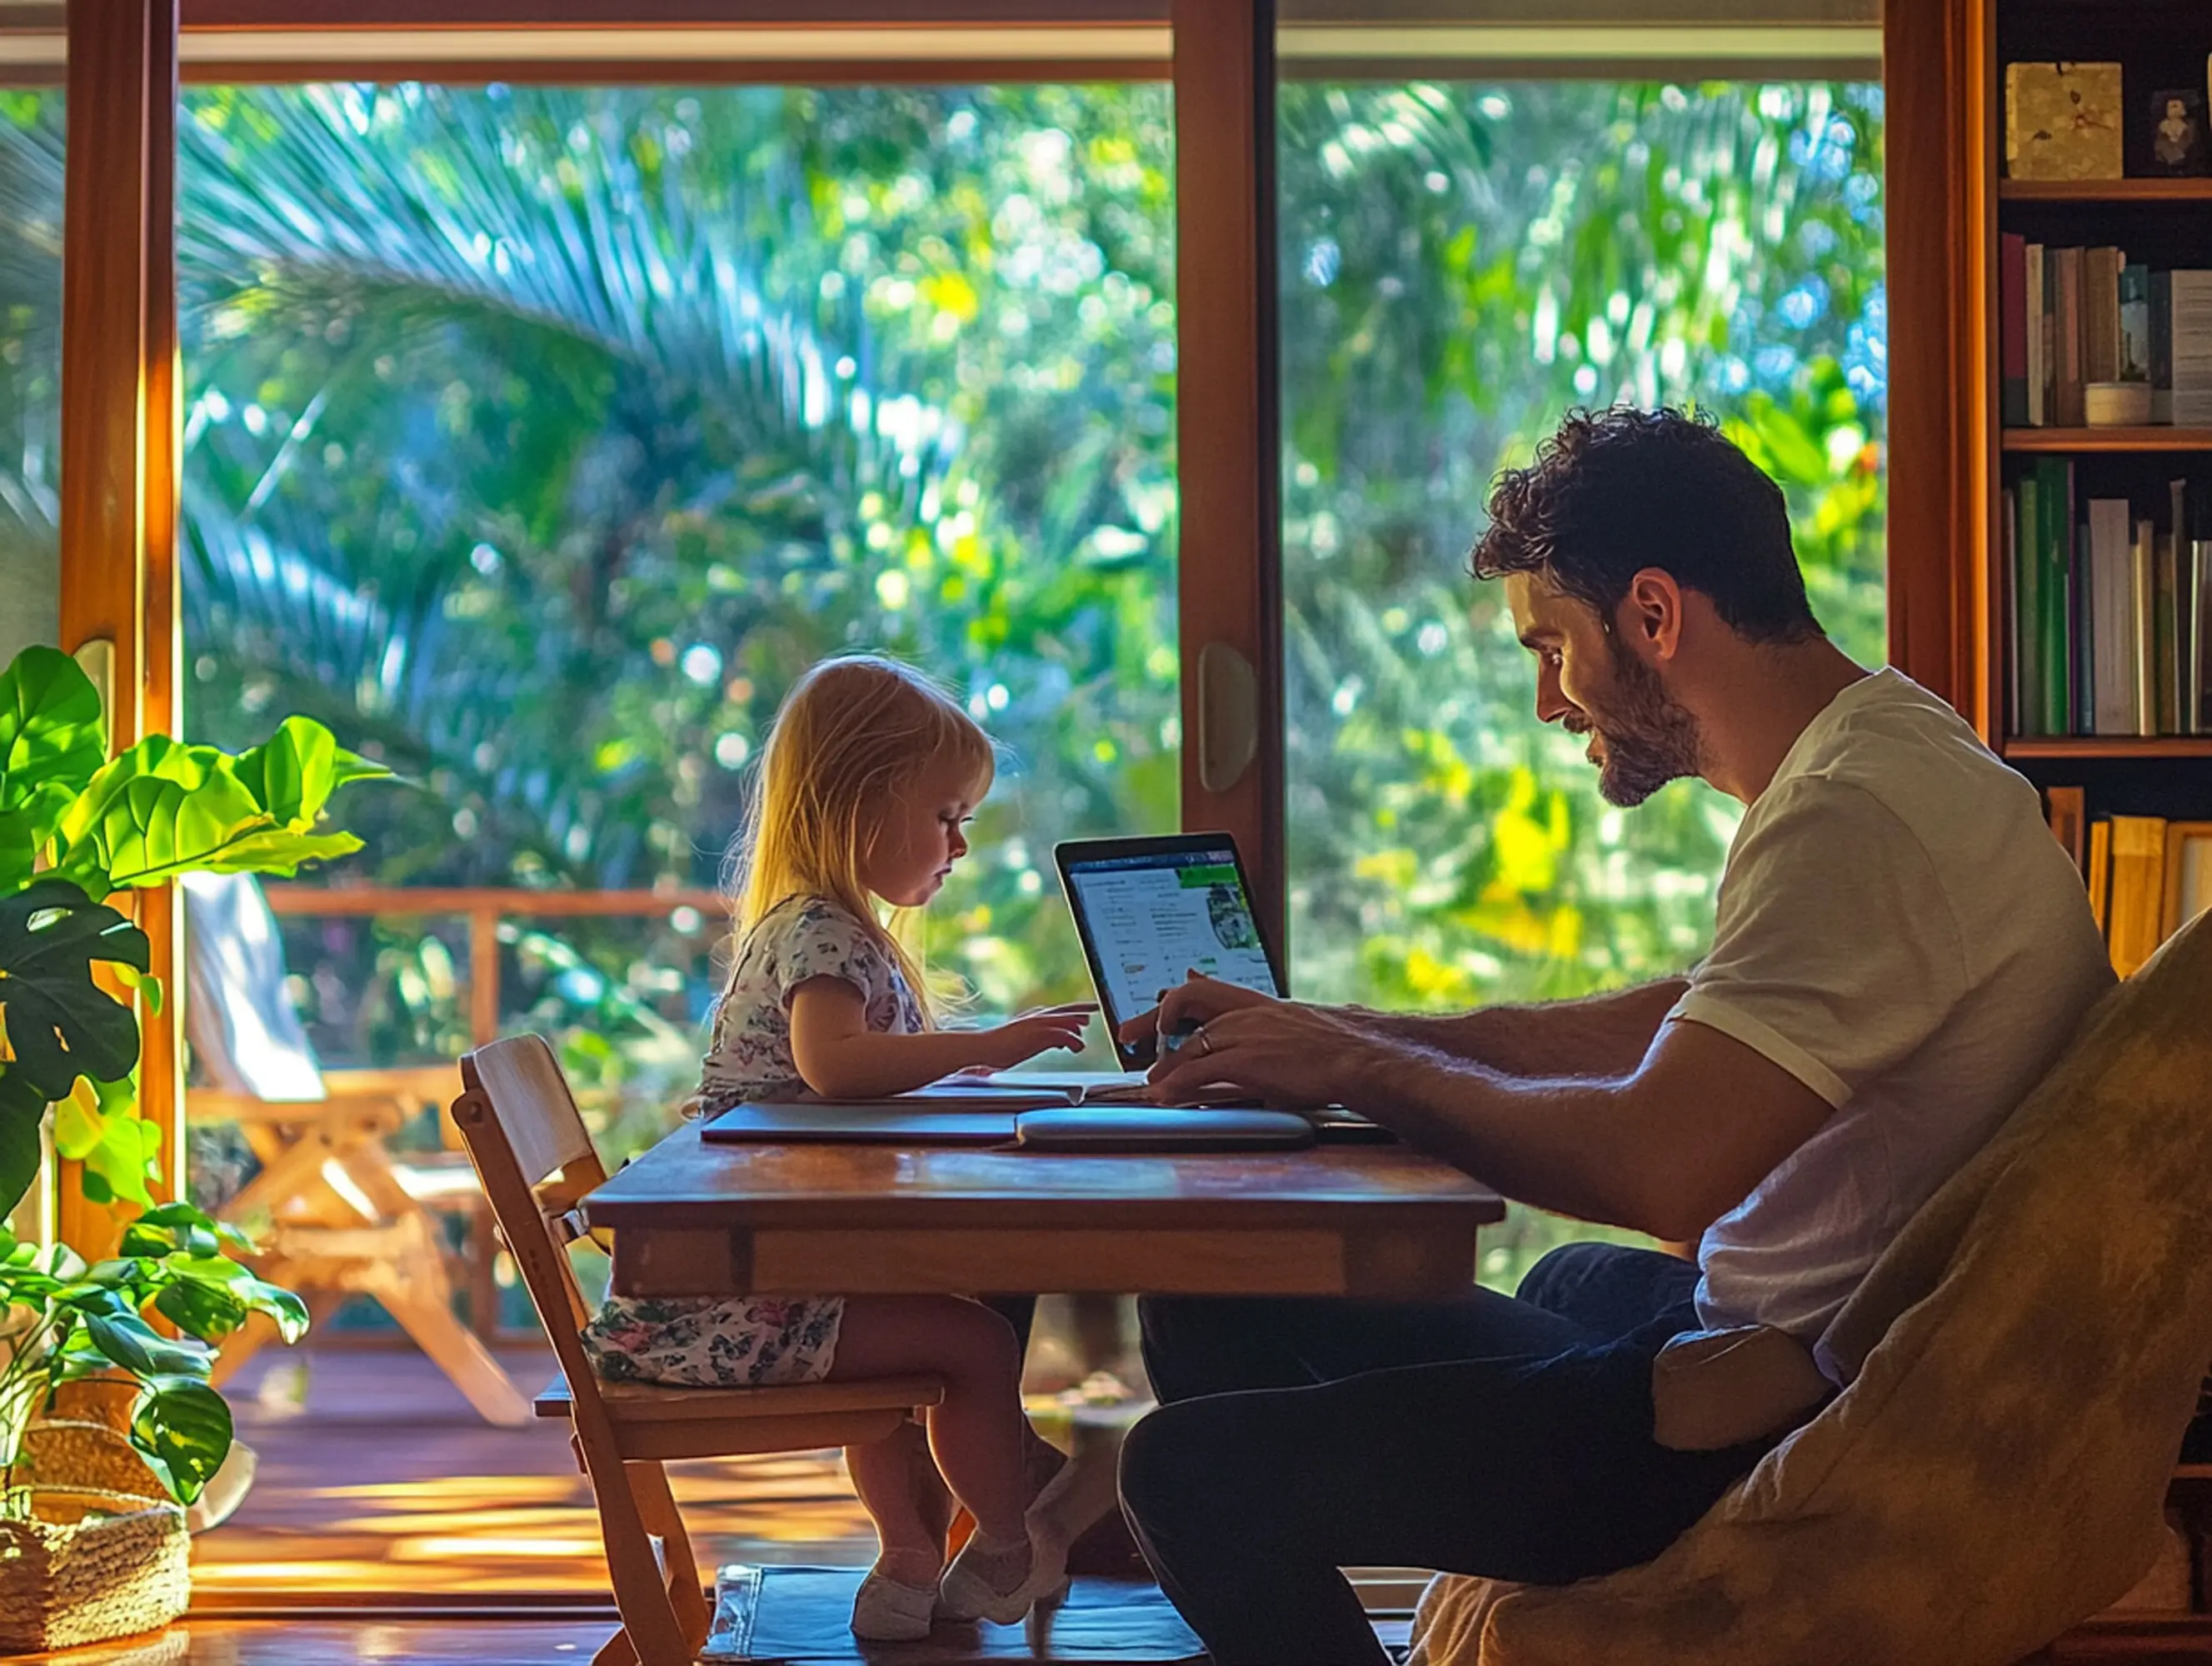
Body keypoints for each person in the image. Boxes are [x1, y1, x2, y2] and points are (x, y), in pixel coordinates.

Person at [1116, 407, 2116, 1666]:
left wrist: (1360, 1070)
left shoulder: (1853, 819)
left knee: (1185, 1477)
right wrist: (1344, 1029)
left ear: (1651, 615)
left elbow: (1656, 1168)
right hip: (1751, 1331)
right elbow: (1689, 1015)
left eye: (1550, 648)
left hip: (1751, 1416)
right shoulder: (1893, 743)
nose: (1547, 699)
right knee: (1219, 1304)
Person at [581, 655, 1095, 1642]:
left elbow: (844, 1077)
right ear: (862, 804)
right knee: (977, 1342)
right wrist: (985, 1046)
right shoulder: (823, 932)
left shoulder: (822, 925)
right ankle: (1003, 1545)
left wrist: (946, 1078)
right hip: (726, 1302)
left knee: (931, 1337)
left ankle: (906, 1559)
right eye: (945, 815)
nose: (959, 843)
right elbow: (834, 1066)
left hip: (731, 1287)